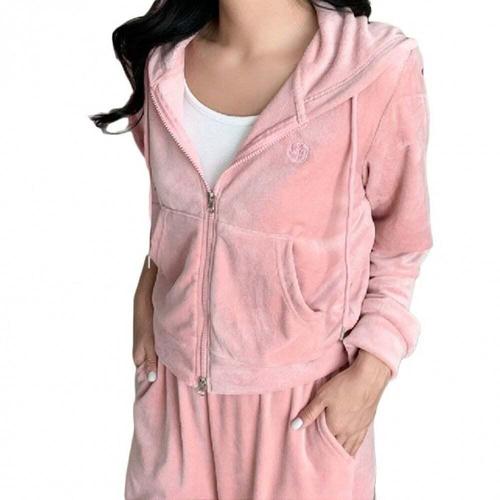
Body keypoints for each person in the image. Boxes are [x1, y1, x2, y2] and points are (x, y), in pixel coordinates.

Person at [91, 0, 432, 498]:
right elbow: (181, 212)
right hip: (173, 401)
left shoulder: (374, 67)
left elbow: (401, 244)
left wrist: (374, 368)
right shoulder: (162, 60)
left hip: (304, 414)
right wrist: (149, 284)